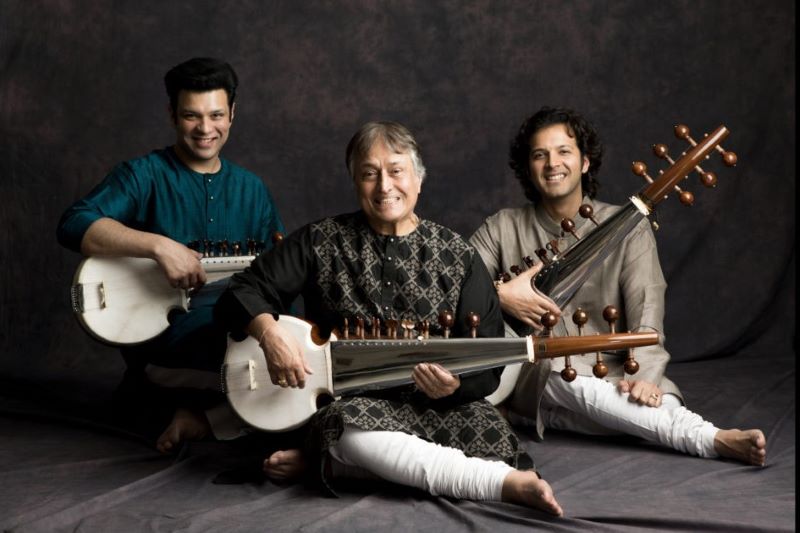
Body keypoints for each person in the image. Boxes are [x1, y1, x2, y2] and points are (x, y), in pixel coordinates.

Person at [214, 121, 563, 516]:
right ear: (355, 181)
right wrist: (269, 333)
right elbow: (239, 293)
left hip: (441, 409)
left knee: (492, 435)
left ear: (418, 179)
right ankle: (500, 485)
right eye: (369, 174)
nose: (384, 187)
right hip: (355, 407)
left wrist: (453, 387)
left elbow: (490, 366)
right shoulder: (321, 240)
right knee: (347, 430)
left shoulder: (459, 256)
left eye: (396, 171)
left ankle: (335, 468)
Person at [469, 107, 766, 466]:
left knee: (650, 403)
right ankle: (710, 438)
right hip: (546, 369)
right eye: (539, 154)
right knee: (557, 372)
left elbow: (648, 305)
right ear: (528, 167)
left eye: (564, 151)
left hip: (609, 367)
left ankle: (535, 413)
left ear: (584, 163)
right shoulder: (503, 226)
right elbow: (457, 287)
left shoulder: (627, 227)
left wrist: (642, 374)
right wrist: (501, 295)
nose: (552, 164)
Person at [56, 57, 284, 453]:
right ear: (172, 115)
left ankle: (204, 422)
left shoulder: (253, 190)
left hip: (234, 334)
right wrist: (158, 246)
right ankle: (201, 412)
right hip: (166, 344)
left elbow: (276, 276)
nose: (205, 129)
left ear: (232, 114)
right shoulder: (143, 175)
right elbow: (74, 223)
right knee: (278, 373)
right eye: (191, 116)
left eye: (216, 115)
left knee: (299, 354)